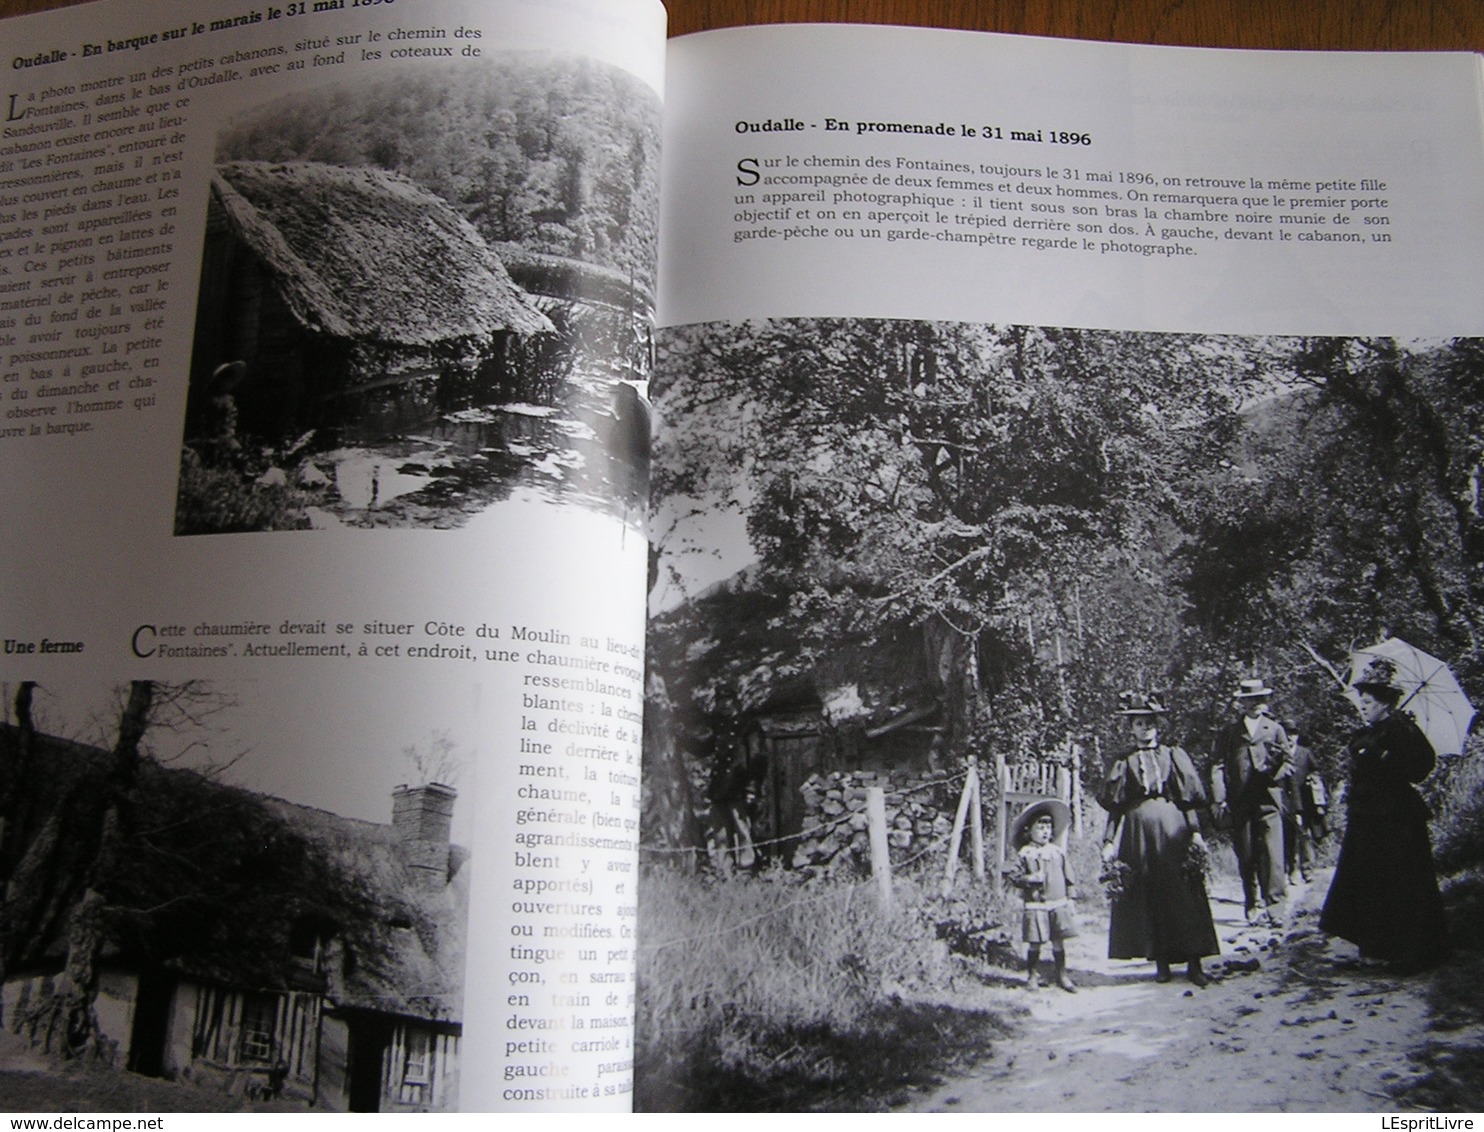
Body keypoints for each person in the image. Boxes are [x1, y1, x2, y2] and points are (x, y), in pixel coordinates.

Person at [1319, 658, 1449, 973]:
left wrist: (1390, 757)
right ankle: (1376, 947)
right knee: (1368, 881)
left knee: (1401, 881)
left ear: (1385, 703)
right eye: (1361, 702)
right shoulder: (1367, 733)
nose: (1363, 707)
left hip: (1396, 819)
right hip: (1366, 818)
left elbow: (1421, 768)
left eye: (1368, 702)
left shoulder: (1403, 729)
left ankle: (1411, 950)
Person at [1098, 691, 1219, 986]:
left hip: (1173, 832)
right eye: (1139, 723)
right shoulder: (1123, 762)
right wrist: (1109, 841)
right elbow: (1116, 807)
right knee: (1150, 896)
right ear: (1131, 728)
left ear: (1157, 725)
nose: (1145, 728)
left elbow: (1188, 800)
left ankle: (1194, 963)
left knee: (1184, 894)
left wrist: (1196, 834)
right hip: (1138, 837)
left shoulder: (1173, 755)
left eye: (1149, 723)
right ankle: (1161, 962)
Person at [1210, 678, 1292, 926]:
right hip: (1240, 802)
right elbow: (1217, 765)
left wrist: (1273, 773)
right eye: (1249, 700)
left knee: (1273, 854)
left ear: (1264, 701)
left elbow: (1289, 762)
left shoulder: (1275, 728)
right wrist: (1219, 798)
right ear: (1241, 703)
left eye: (1259, 699)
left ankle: (1276, 908)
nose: (1255, 704)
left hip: (1268, 800)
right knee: (1246, 854)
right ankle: (1252, 902)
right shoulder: (1230, 732)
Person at [1007, 799, 1079, 993]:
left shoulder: (1057, 853)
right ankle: (1032, 976)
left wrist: (1071, 898)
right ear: (1029, 830)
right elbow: (1014, 877)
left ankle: (1062, 975)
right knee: (1035, 942)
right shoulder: (1026, 854)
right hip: (1036, 904)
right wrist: (1030, 878)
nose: (1045, 831)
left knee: (1058, 940)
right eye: (1040, 827)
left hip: (1057, 904)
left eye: (1048, 827)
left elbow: (1068, 877)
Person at [1279, 720, 1326, 884]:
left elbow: (1315, 770)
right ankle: (1291, 871)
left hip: (1304, 800)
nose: (1290, 737)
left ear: (1297, 736)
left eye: (1293, 734)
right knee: (1288, 837)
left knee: (1304, 835)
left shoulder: (1304, 753)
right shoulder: (1279, 755)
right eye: (1287, 734)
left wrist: (1313, 780)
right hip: (1285, 801)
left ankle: (1307, 870)